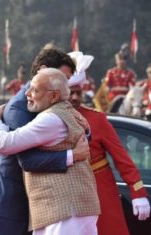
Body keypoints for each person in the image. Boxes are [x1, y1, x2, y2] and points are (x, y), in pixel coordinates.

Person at [0, 48, 90, 235]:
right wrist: (73, 155)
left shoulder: (54, 105)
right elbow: (26, 160)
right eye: (63, 77)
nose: (67, 85)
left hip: (41, 201)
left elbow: (74, 131)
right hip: (9, 199)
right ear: (43, 70)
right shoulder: (19, 108)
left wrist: (86, 133)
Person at [68, 52, 150, 235]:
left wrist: (138, 192)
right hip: (66, 193)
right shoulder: (49, 119)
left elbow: (122, 158)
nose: (74, 97)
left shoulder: (97, 120)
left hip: (101, 191)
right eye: (70, 92)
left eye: (78, 93)